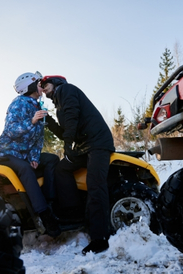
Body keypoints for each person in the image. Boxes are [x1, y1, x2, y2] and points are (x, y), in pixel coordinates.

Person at [40, 75, 115, 255]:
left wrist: (67, 145)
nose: (43, 89)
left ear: (56, 83)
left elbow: (73, 117)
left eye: (45, 85)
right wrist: (49, 121)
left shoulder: (67, 90)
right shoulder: (58, 104)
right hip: (83, 147)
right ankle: (73, 211)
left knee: (95, 184)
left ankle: (100, 239)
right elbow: (65, 131)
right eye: (41, 87)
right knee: (61, 169)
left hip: (98, 144)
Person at [0, 71, 61, 237]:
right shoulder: (18, 104)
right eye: (39, 84)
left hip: (25, 154)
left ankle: (51, 203)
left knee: (52, 160)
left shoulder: (37, 107)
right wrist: (30, 121)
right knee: (25, 169)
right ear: (30, 87)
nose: (42, 87)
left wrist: (34, 158)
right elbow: (10, 131)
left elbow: (37, 139)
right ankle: (43, 215)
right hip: (8, 152)